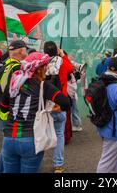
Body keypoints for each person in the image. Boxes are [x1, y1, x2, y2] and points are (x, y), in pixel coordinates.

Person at [0, 52, 71, 173]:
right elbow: (66, 103)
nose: (47, 67)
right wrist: (54, 108)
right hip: (31, 141)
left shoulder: (13, 83)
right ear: (39, 69)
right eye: (45, 65)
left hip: (9, 139)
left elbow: (3, 108)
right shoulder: (44, 86)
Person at [0, 40, 28, 173]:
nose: (26, 52)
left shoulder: (6, 64)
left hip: (2, 111)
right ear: (21, 50)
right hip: (10, 112)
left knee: (6, 148)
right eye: (25, 49)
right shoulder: (17, 68)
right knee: (8, 150)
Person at [43, 41, 74, 173]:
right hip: (60, 102)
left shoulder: (41, 63)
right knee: (59, 134)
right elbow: (71, 69)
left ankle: (36, 161)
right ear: (57, 50)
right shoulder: (61, 62)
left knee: (41, 133)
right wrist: (63, 55)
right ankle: (58, 164)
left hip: (45, 103)